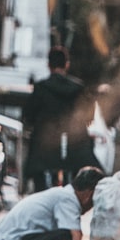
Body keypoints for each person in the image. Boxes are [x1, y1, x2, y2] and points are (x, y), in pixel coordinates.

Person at [22, 46, 96, 192]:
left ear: (48, 65)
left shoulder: (41, 88)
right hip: (73, 146)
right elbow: (89, 115)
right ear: (67, 64)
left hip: (45, 146)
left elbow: (28, 115)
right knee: (77, 176)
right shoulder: (79, 89)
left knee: (41, 182)